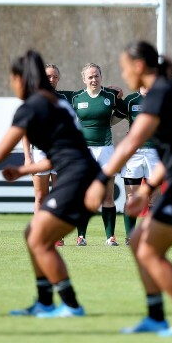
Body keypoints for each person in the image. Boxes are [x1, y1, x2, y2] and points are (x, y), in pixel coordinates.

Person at [85, 41, 172, 336]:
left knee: (149, 249)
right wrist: (148, 188)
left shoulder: (161, 93)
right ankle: (156, 316)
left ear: (139, 67)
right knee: (141, 241)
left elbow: (131, 141)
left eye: (125, 67)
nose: (124, 73)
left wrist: (101, 178)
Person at [2, 50, 98, 318]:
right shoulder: (56, 104)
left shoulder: (32, 107)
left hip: (76, 179)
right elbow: (59, 154)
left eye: (13, 78)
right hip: (81, 173)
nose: (12, 84)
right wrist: (22, 169)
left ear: (22, 79)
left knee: (40, 240)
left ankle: (71, 305)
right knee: (32, 234)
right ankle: (45, 301)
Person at [71, 63, 127, 246]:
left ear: (101, 77)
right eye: (90, 77)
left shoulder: (110, 95)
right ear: (84, 79)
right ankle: (81, 236)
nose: (93, 79)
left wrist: (111, 121)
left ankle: (110, 237)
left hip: (105, 149)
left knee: (108, 195)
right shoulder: (76, 98)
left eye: (96, 76)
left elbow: (122, 111)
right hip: (84, 151)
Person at [22, 64, 68, 246]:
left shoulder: (64, 98)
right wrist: (27, 157)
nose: (51, 80)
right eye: (48, 76)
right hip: (40, 152)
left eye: (55, 77)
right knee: (41, 197)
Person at [118, 85, 161, 246]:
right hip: (134, 154)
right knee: (131, 197)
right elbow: (112, 120)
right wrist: (115, 96)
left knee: (154, 198)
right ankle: (130, 236)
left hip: (155, 153)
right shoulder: (130, 100)